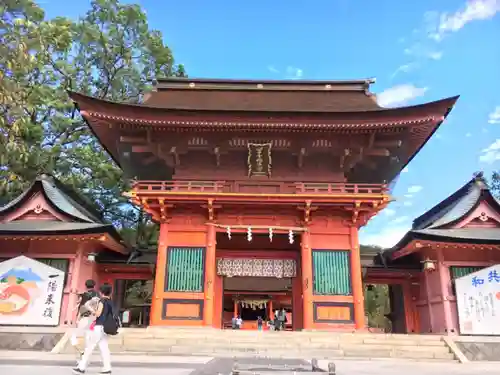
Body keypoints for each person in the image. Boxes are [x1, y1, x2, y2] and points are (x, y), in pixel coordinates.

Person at [73, 283, 114, 374]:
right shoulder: (111, 302)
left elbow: (98, 314)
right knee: (104, 348)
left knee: (89, 347)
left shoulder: (102, 301)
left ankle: (81, 367)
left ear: (101, 292)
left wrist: (91, 309)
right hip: (106, 328)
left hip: (99, 327)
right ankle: (107, 368)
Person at [70, 279, 99, 359]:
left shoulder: (84, 295)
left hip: (85, 318)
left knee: (73, 337)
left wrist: (78, 319)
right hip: (94, 319)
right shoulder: (97, 295)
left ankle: (82, 352)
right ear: (94, 285)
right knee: (88, 337)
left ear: (86, 286)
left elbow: (82, 307)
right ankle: (86, 355)